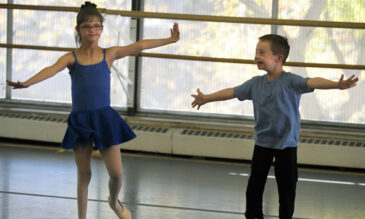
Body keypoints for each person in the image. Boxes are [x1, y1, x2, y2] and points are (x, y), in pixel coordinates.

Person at [7, 2, 179, 219]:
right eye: (88, 26)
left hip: (104, 119)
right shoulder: (71, 58)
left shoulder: (109, 54)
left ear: (102, 29)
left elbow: (139, 45)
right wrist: (27, 83)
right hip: (80, 121)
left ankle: (114, 201)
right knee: (84, 175)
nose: (93, 30)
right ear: (78, 30)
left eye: (97, 26)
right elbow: (50, 70)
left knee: (117, 175)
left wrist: (169, 40)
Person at [191, 34, 358, 219]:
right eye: (256, 51)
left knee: (287, 188)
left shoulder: (291, 81)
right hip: (263, 143)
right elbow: (232, 92)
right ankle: (254, 215)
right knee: (255, 185)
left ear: (279, 59)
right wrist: (206, 98)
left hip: (286, 145)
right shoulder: (255, 83)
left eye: (262, 52)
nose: (256, 56)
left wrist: (336, 85)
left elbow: (312, 81)